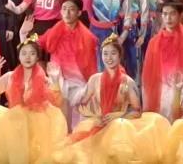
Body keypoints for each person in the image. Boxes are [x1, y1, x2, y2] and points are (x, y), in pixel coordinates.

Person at [51, 34, 167, 164]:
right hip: (100, 122)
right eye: (105, 54)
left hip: (121, 126)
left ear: (120, 56)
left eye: (113, 53)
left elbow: (137, 111)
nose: (109, 58)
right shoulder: (95, 80)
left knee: (119, 132)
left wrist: (120, 115)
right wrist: (95, 116)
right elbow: (81, 105)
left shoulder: (128, 82)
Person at [0, 37, 68, 164]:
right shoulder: (10, 77)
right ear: (19, 57)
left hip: (36, 126)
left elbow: (57, 102)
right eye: (24, 53)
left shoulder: (43, 80)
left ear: (37, 57)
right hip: (13, 123)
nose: (28, 57)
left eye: (32, 53)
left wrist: (55, 80)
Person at [22, 0, 98, 129]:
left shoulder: (88, 38)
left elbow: (91, 66)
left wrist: (91, 90)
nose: (67, 13)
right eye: (64, 9)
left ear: (79, 12)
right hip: (57, 80)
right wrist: (23, 33)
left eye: (71, 9)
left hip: (77, 84)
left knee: (76, 124)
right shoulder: (55, 30)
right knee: (58, 121)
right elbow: (35, 44)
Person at [141, 0, 183, 119]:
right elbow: (148, 75)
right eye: (165, 14)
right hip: (163, 94)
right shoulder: (154, 42)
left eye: (172, 14)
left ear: (180, 15)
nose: (168, 18)